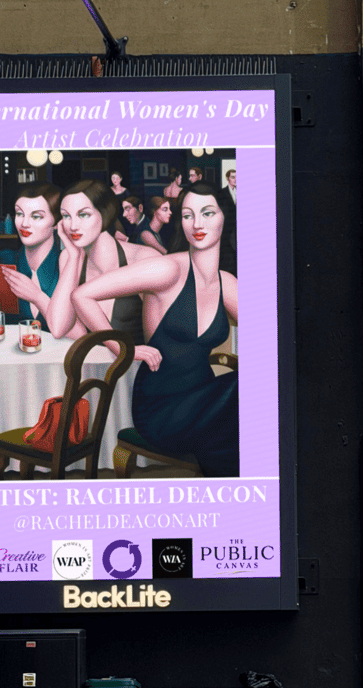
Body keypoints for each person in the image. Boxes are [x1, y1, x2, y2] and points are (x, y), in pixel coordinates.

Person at [70, 181, 239, 476]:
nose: (197, 223)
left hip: (205, 399)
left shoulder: (228, 283)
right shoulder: (167, 269)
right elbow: (82, 295)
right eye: (187, 215)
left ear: (226, 216)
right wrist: (122, 347)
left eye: (208, 213)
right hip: (162, 408)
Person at [44, 179, 162, 342]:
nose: (73, 226)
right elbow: (58, 328)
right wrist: (73, 257)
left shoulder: (145, 259)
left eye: (84, 214)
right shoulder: (70, 258)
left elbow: (162, 338)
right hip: (87, 365)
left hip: (137, 365)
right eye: (66, 216)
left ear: (105, 212)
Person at [0, 182, 62, 331]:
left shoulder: (68, 264)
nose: (24, 223)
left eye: (36, 216)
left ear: (56, 222)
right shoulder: (2, 261)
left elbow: (78, 333)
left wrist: (37, 297)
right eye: (19, 214)